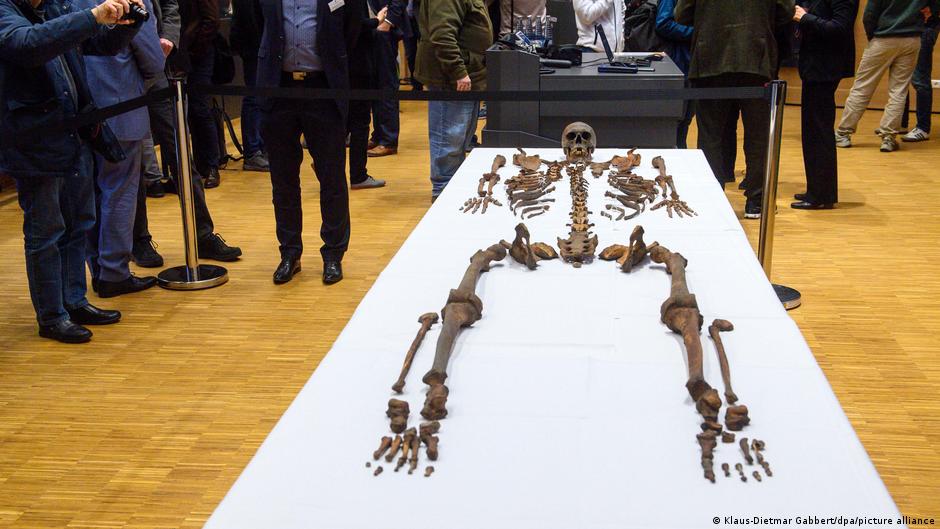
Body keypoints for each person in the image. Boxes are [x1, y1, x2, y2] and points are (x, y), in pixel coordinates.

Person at [0, 0, 142, 343]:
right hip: (35, 140)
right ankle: (52, 316)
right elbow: (28, 45)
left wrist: (128, 23)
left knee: (79, 222)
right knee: (46, 231)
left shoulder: (51, 8)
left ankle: (74, 301)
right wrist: (92, 16)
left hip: (74, 132)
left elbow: (97, 45)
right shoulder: (5, 11)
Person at [256, 0, 362, 285]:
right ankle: (290, 253)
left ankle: (333, 254)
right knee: (283, 180)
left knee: (332, 177)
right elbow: (250, 29)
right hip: (278, 90)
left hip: (324, 90)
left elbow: (352, 32)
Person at [675, 0, 795, 220]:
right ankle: (756, 201)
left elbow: (682, 14)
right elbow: (786, 11)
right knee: (758, 136)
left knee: (711, 135)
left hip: (710, 57)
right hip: (756, 55)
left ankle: (713, 198)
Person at [81, 0, 165, 298]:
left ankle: (98, 270)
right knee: (119, 192)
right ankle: (114, 272)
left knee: (92, 194)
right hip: (121, 108)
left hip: (80, 110)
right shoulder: (131, 3)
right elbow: (154, 62)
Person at [835, 0, 939, 152]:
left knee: (862, 88)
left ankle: (843, 134)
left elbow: (869, 14)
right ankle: (888, 138)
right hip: (912, 39)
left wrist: (872, 36)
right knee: (898, 91)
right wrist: (931, 11)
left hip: (883, 38)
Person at [415, 0, 491, 200]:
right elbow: (442, 35)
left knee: (459, 139)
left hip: (466, 75)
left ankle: (452, 191)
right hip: (451, 80)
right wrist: (458, 71)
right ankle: (443, 196)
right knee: (448, 140)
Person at [790, 0, 856, 210]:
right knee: (812, 131)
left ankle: (821, 195)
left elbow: (840, 28)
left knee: (819, 131)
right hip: (815, 66)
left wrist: (805, 18)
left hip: (825, 67)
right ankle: (817, 190)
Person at [178, 0, 223, 187]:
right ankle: (198, 165)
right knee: (188, 111)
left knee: (200, 109)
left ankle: (212, 165)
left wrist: (194, 48)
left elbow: (211, 20)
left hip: (198, 54)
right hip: (180, 52)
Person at [348, 3, 389, 189]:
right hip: (358, 63)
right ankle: (358, 176)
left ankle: (326, 164)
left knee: (344, 120)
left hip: (343, 64)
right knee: (360, 122)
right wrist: (377, 20)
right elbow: (357, 24)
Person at [366, 0, 410, 158]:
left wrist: (387, 23)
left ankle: (388, 140)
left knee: (386, 85)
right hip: (371, 28)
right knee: (374, 86)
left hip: (384, 30)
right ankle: (378, 135)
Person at [230, 0, 269, 170]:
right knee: (253, 98)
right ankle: (252, 151)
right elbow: (248, 17)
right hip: (254, 45)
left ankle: (262, 147)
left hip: (260, 43)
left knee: (263, 97)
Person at [655, 0, 693, 148]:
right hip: (678, 64)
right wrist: (696, 33)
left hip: (689, 63)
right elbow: (663, 24)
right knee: (676, 122)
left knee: (685, 121)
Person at [902, 8, 938, 143]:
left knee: (920, 79)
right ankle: (900, 122)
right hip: (906, 25)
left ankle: (923, 128)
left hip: (925, 26)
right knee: (901, 75)